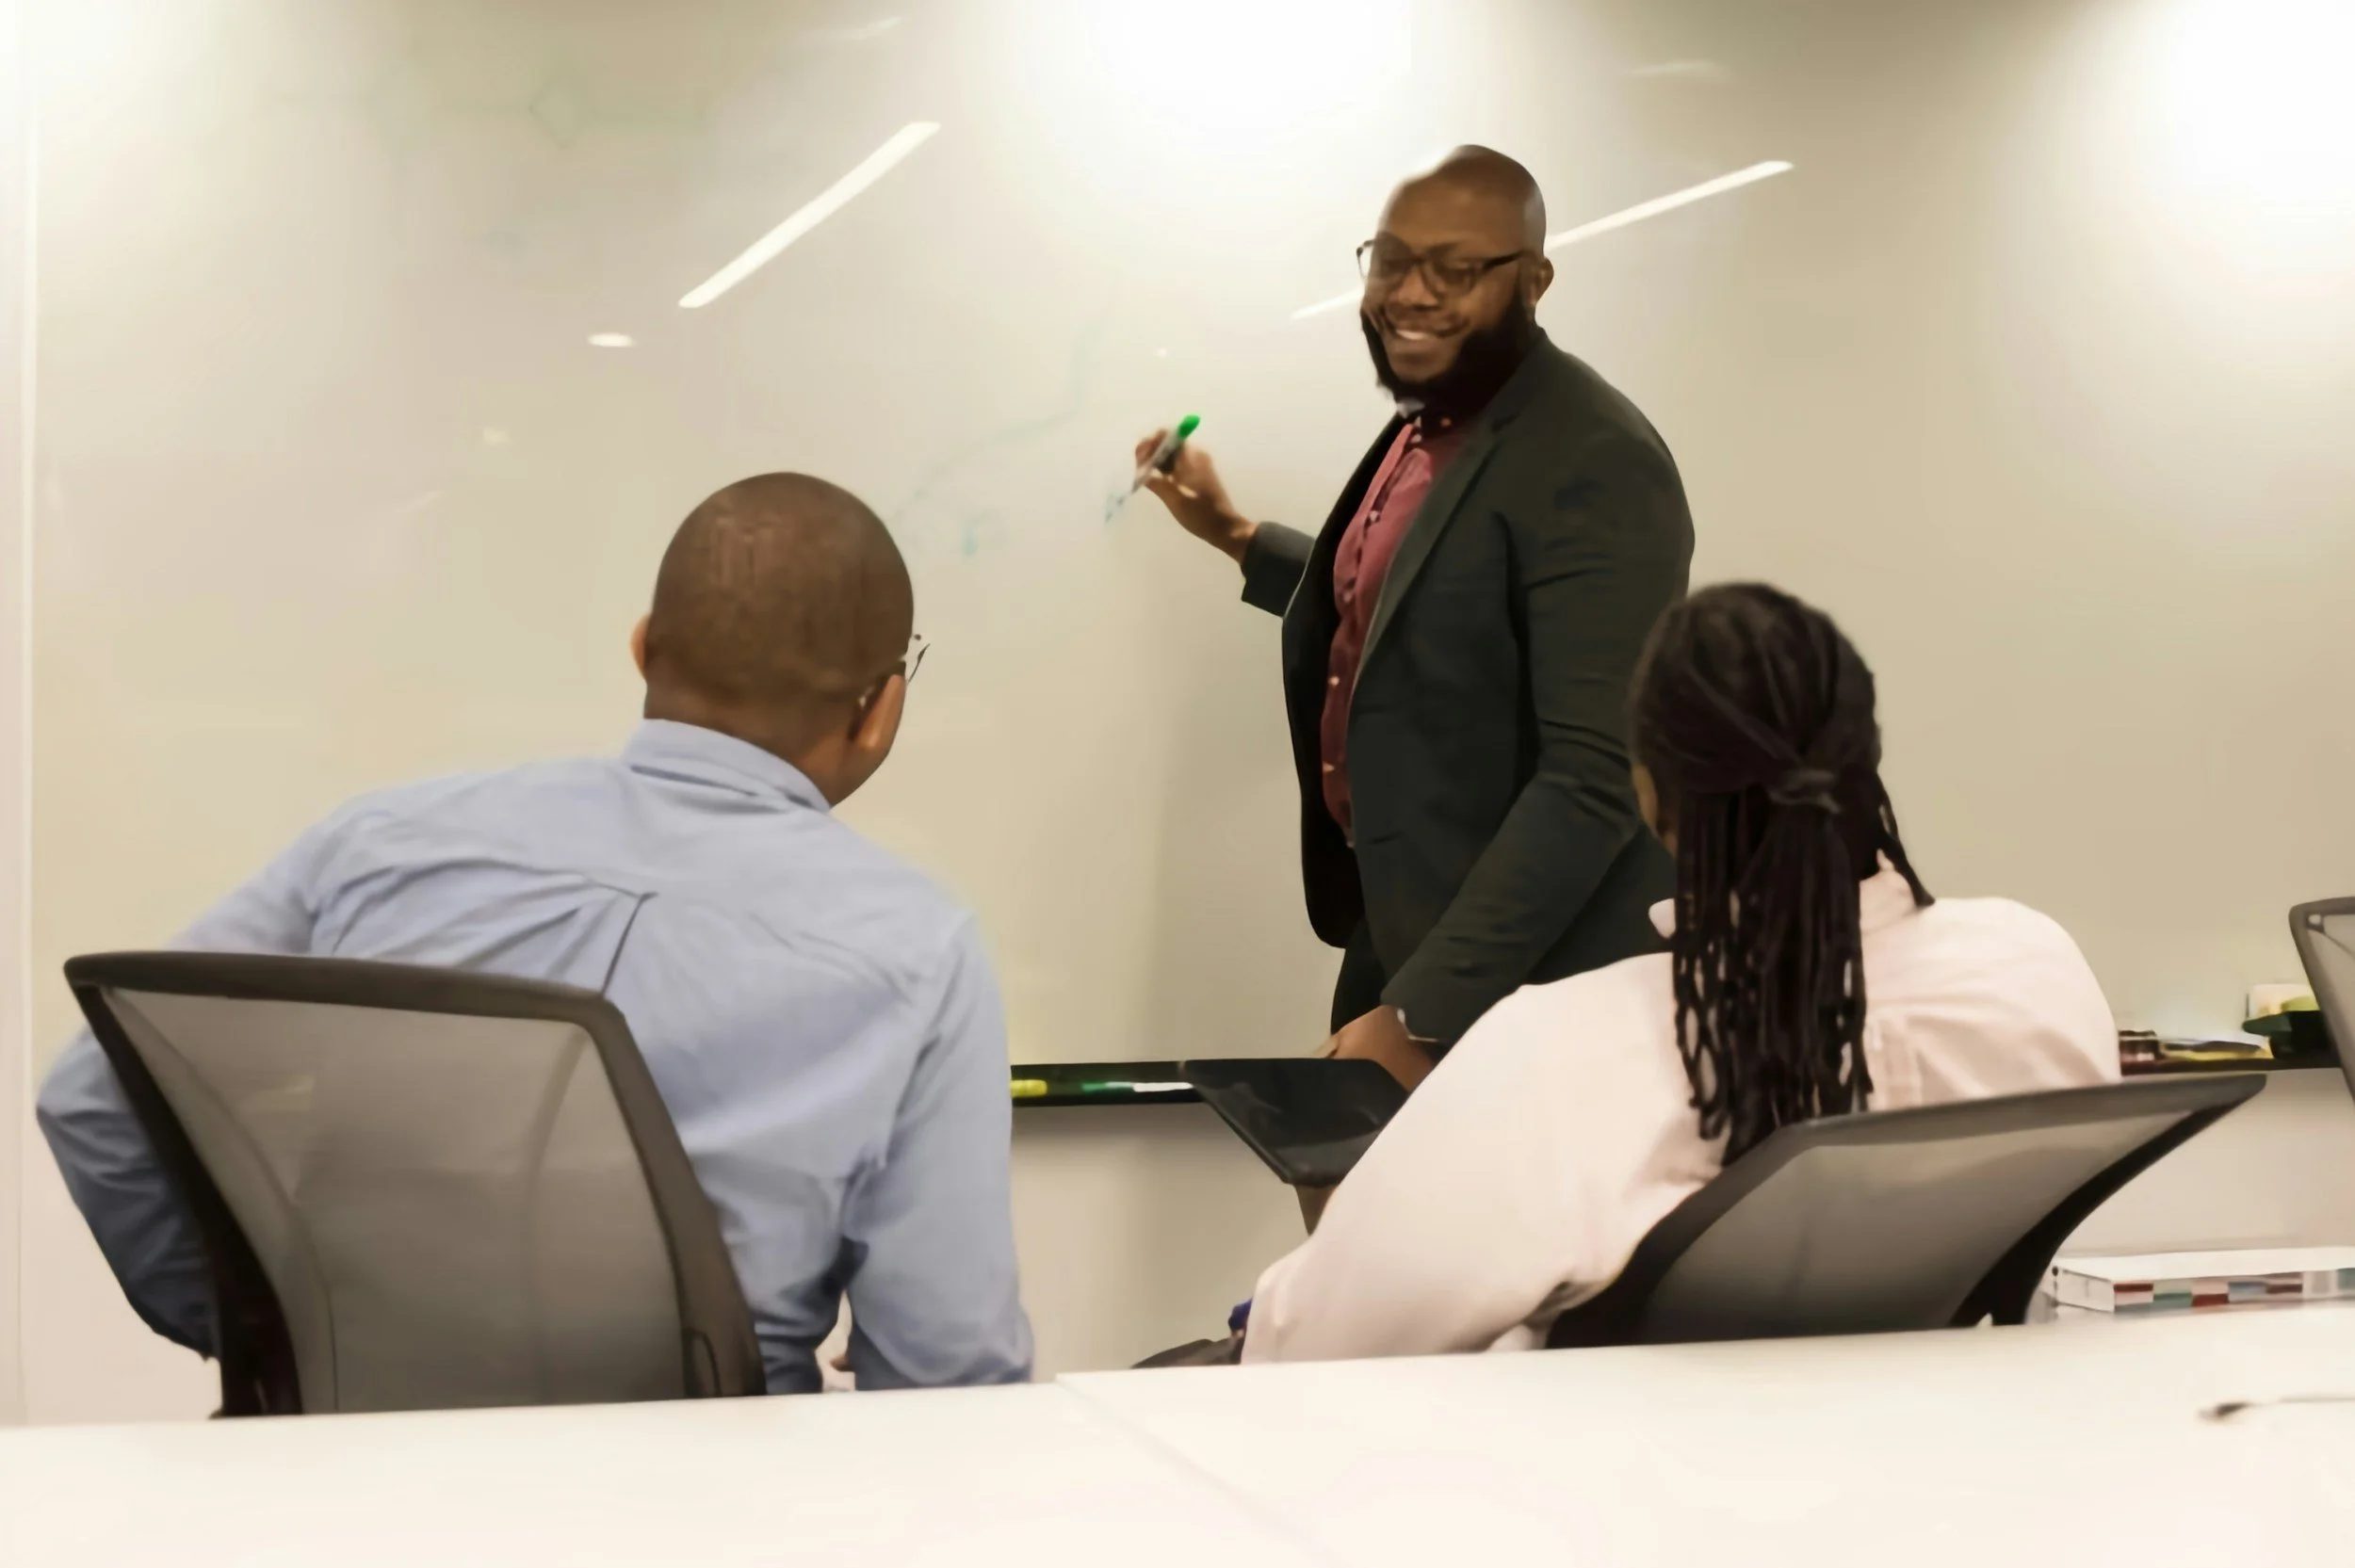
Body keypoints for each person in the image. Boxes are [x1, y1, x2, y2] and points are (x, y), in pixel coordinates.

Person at [37, 474, 1033, 1395]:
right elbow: (946, 1370)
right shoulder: (919, 949)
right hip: (709, 1510)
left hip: (345, 1492)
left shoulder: (380, 842)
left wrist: (277, 1339)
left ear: (644, 646)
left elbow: (91, 1101)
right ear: (881, 709)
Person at [1240, 582, 2121, 1363]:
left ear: (1653, 796)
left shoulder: (1558, 1052)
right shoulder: (2035, 968)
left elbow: (1317, 1348)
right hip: (1936, 1489)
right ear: (1863, 758)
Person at [1139, 146, 1692, 1091]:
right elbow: (1420, 607)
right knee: (1342, 1208)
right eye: (1391, 259)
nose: (1410, 293)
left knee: (1445, 1233)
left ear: (1535, 282)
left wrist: (1425, 1011)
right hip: (1402, 922)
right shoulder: (1435, 420)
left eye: (1456, 268)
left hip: (1536, 974)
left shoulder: (1593, 457)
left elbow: (1594, 779)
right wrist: (1235, 535)